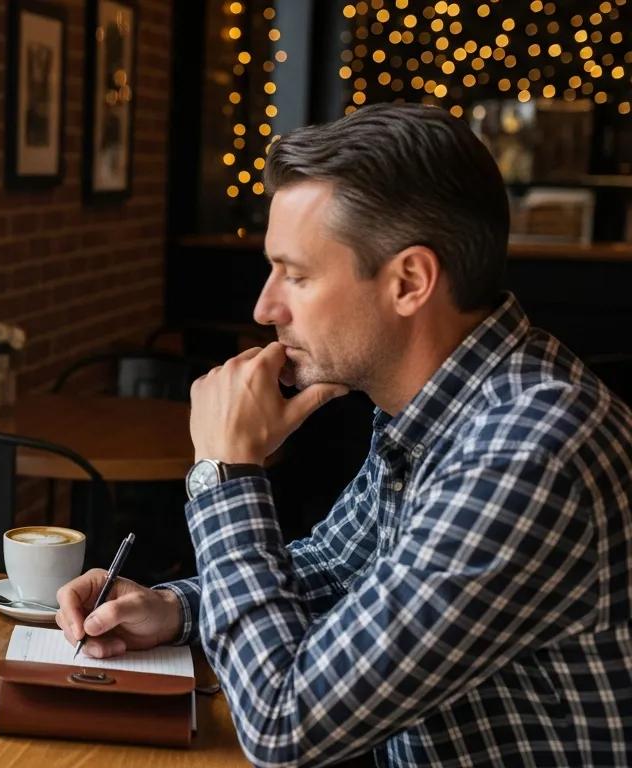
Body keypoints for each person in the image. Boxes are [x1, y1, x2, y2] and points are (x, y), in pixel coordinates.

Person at [57, 103, 632, 766]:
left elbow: (284, 722)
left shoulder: (529, 449)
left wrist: (225, 471)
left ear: (408, 282)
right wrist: (174, 608)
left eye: (297, 275)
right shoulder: (442, 403)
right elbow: (338, 566)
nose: (265, 308)